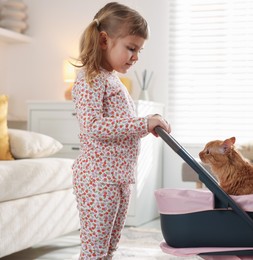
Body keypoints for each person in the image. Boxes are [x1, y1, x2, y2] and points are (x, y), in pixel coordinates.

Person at [71, 2, 171, 259]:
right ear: (104, 40)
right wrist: (143, 123)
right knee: (95, 249)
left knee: (109, 246)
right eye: (131, 48)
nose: (136, 57)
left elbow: (119, 125)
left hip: (118, 177)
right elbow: (93, 126)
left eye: (139, 50)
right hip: (97, 178)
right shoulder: (90, 78)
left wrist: (146, 124)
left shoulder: (112, 79)